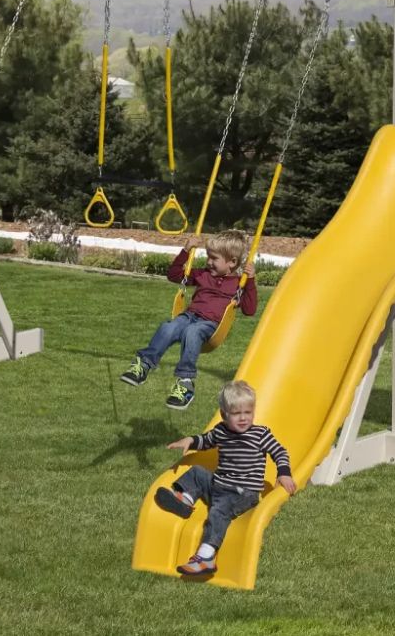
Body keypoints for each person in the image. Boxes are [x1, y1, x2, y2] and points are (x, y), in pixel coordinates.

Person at [154, 380, 296, 577]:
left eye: (248, 412)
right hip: (218, 486)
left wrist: (283, 472)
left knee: (218, 512)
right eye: (236, 414)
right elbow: (206, 441)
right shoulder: (222, 430)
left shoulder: (260, 434)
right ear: (224, 415)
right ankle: (184, 500)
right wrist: (191, 441)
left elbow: (280, 452)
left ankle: (206, 556)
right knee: (196, 472)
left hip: (242, 494)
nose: (243, 418)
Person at [120, 229, 257, 409]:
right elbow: (174, 275)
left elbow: (249, 310)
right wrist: (186, 251)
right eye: (208, 257)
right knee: (168, 327)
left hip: (210, 325)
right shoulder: (203, 274)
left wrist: (251, 280)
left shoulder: (240, 284)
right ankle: (143, 365)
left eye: (214, 258)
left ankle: (186, 383)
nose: (209, 262)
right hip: (188, 316)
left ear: (232, 262)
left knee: (193, 331)